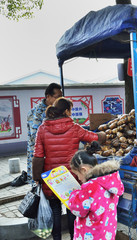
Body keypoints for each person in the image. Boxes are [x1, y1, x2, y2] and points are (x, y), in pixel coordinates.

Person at [32, 97, 106, 240]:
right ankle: (74, 237)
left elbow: (38, 156)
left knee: (55, 210)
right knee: (72, 209)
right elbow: (94, 137)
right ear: (66, 111)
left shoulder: (42, 128)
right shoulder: (74, 128)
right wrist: (103, 135)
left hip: (51, 178)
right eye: (70, 110)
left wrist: (36, 178)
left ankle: (57, 238)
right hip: (70, 177)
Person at [69, 141, 124, 240]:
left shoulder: (89, 187)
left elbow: (78, 210)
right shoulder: (110, 180)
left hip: (91, 234)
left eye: (78, 175)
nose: (79, 178)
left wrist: (74, 194)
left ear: (84, 170)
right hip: (107, 232)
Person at [27, 83, 62, 182]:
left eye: (61, 97)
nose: (60, 100)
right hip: (40, 156)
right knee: (41, 186)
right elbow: (35, 137)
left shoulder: (54, 109)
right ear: (48, 97)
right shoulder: (38, 112)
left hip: (49, 154)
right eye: (58, 97)